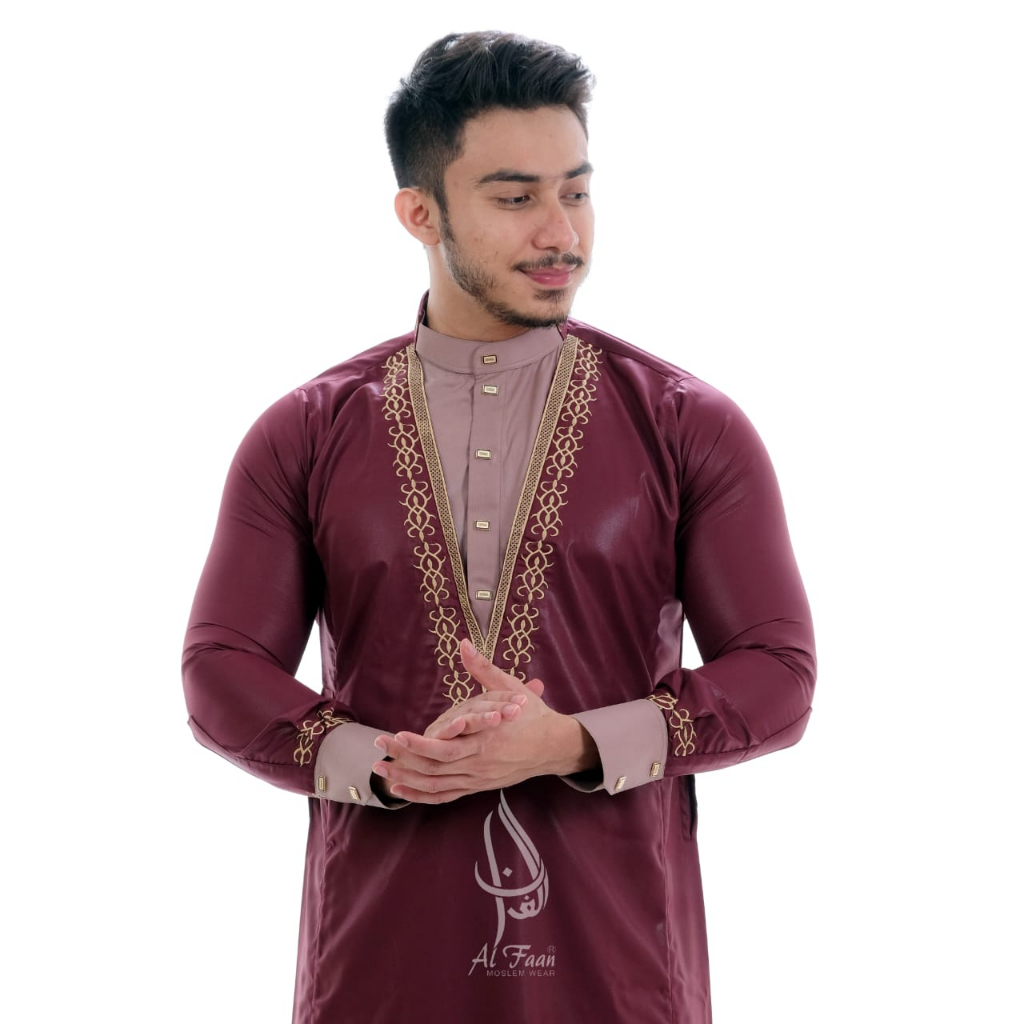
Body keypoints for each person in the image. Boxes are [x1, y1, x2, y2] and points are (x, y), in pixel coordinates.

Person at [182, 30, 815, 1024]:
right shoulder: (306, 432)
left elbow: (778, 675)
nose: (562, 233)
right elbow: (219, 669)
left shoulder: (686, 425)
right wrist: (383, 761)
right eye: (516, 199)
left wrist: (573, 743)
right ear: (419, 212)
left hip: (618, 973)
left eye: (577, 192)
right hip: (377, 971)